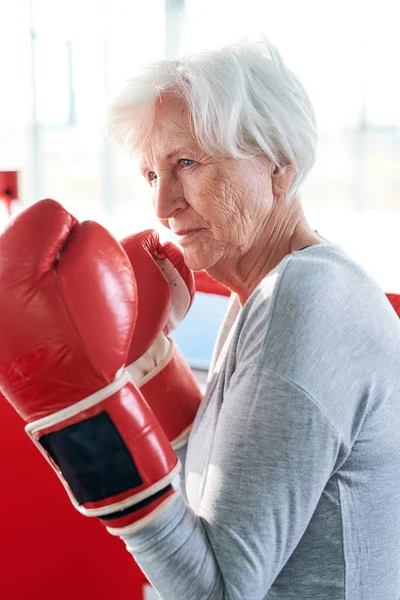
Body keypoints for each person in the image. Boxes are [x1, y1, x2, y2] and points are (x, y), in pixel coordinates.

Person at [105, 37, 400, 599]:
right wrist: (152, 359)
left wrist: (80, 420)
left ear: (280, 166)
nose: (163, 206)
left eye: (186, 163)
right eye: (150, 175)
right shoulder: (266, 294)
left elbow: (219, 591)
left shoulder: (303, 299)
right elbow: (215, 497)